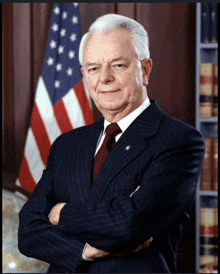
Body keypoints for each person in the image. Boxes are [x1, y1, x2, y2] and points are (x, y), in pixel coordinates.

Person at [18, 13, 205, 273]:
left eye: (118, 65)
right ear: (85, 75)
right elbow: (28, 231)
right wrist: (82, 252)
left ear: (145, 70)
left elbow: (131, 223)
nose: (104, 78)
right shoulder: (68, 144)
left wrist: (61, 214)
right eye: (94, 68)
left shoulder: (178, 141)